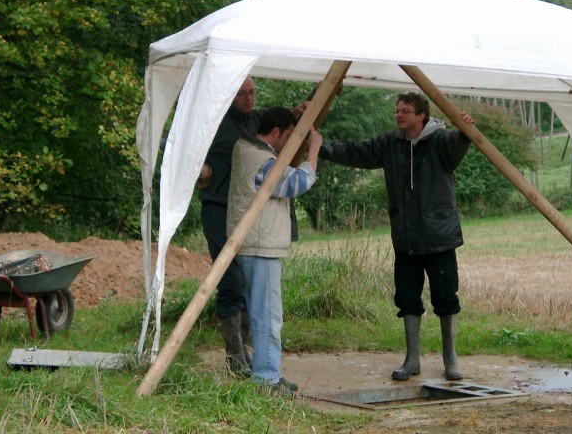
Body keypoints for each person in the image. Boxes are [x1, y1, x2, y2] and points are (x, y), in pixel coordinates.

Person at [319, 92, 474, 381]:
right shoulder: (390, 145)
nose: (398, 115)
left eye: (405, 111)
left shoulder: (441, 142)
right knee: (407, 299)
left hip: (439, 238)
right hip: (406, 240)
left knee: (446, 298)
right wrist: (322, 148)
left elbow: (460, 142)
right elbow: (356, 151)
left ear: (421, 116)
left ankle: (451, 359)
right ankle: (412, 360)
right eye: (397, 110)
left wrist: (466, 130)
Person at [198, 76, 306, 375]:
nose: (249, 98)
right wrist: (201, 170)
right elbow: (182, 148)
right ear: (230, 95)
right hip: (220, 210)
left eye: (252, 92)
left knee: (249, 285)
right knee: (231, 282)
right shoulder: (214, 123)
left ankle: (247, 354)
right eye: (242, 94)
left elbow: (281, 128)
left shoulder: (257, 120)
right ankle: (235, 355)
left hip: (250, 212)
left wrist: (304, 108)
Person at [227, 107, 322, 395]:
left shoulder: (246, 147)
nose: (293, 142)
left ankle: (265, 372)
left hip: (251, 242)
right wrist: (313, 151)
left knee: (260, 311)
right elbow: (297, 183)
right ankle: (267, 378)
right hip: (260, 245)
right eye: (291, 136)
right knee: (268, 314)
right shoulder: (262, 160)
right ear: (277, 132)